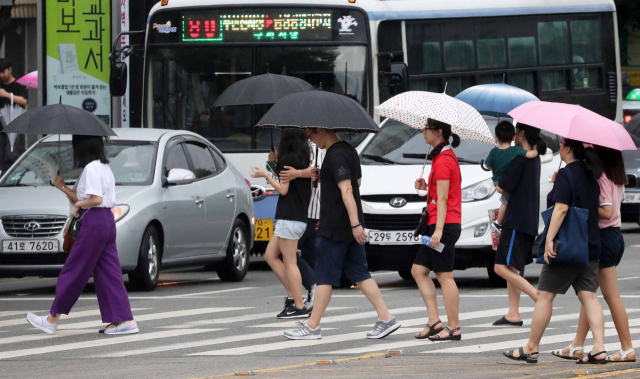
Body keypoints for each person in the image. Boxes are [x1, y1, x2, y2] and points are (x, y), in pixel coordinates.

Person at [284, 127, 401, 340]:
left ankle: (312, 326)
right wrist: (327, 178)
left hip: (336, 226)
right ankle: (386, 318)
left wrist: (355, 224)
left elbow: (347, 189)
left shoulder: (335, 154)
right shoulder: (349, 150)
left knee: (324, 277)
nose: (311, 140)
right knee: (361, 274)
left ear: (320, 130)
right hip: (349, 226)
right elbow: (356, 184)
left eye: (311, 135)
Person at [504, 138, 606, 364]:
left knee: (545, 296)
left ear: (568, 149)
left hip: (567, 246)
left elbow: (560, 209)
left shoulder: (568, 174)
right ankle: (599, 347)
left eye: (561, 144)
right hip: (590, 246)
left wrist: (549, 239)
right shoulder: (591, 176)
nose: (558, 147)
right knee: (589, 296)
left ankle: (531, 347)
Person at [27, 135, 138, 335]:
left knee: (73, 269)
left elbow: (94, 199)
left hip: (94, 222)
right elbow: (87, 196)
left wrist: (78, 204)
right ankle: (125, 320)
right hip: (106, 221)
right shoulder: (104, 167)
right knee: (109, 273)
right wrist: (63, 187)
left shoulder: (91, 168)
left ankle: (51, 319)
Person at [551, 146, 635, 363]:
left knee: (610, 296)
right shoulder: (616, 174)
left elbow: (606, 212)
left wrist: (581, 203)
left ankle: (627, 348)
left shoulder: (604, 176)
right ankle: (577, 345)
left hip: (605, 238)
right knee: (588, 294)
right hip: (614, 237)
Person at [411, 118, 463, 341]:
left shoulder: (443, 160)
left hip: (444, 225)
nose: (423, 133)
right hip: (439, 223)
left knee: (444, 275)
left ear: (439, 132)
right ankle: (434, 321)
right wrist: (426, 186)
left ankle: (453, 327)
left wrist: (438, 231)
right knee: (418, 270)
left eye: (427, 129)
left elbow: (442, 199)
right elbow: (440, 193)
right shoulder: (442, 157)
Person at [252, 129, 312, 319]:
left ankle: (299, 304)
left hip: (289, 217)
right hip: (296, 217)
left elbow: (282, 189)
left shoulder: (289, 161)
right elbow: (285, 179)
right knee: (270, 255)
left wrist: (265, 174)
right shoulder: (302, 159)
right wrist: (273, 163)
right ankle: (292, 297)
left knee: (290, 261)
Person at [492, 123, 546, 326]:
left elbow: (501, 188)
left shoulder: (520, 160)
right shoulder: (534, 157)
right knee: (512, 268)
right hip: (528, 220)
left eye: (516, 131)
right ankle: (513, 313)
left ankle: (538, 297)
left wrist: (497, 176)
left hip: (516, 220)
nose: (513, 135)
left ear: (522, 133)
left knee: (500, 267)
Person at [269, 142, 324, 311]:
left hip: (309, 210)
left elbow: (316, 172)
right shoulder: (301, 147)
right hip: (302, 211)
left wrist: (296, 173)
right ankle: (302, 294)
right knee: (303, 255)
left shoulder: (313, 145)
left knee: (288, 256)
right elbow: (286, 177)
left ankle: (308, 291)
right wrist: (274, 164)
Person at [484, 121, 539, 230]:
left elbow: (487, 165)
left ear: (496, 137)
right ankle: (498, 222)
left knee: (504, 202)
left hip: (497, 180)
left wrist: (494, 168)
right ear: (514, 136)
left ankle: (498, 222)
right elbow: (530, 154)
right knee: (505, 202)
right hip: (505, 184)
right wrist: (537, 150)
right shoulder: (516, 151)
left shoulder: (494, 151)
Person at [0, 59, 28, 174]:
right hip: (1, 124)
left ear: (10, 69)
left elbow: (24, 101)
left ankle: (12, 176)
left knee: (12, 153)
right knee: (1, 154)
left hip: (14, 124)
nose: (1, 75)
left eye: (3, 72)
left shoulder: (19, 85)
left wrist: (6, 94)